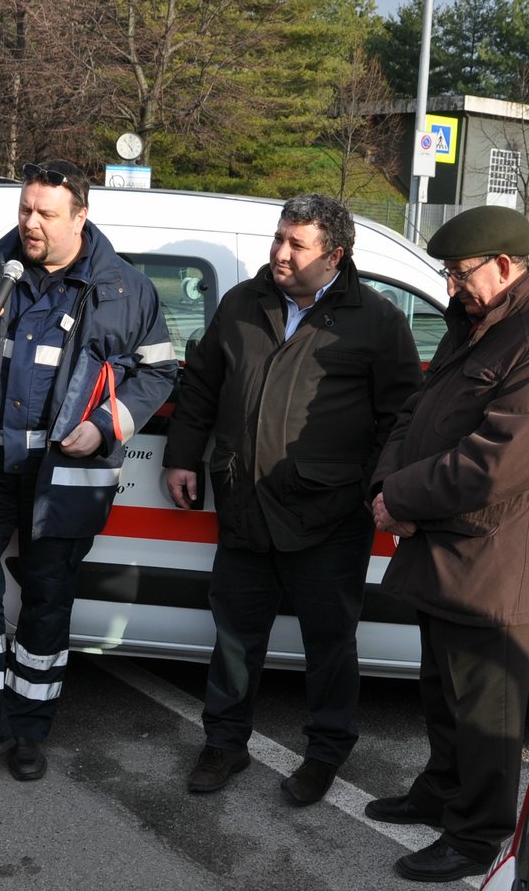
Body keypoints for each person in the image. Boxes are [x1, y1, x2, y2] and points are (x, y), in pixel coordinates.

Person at [0, 159, 176, 788]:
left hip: (66, 476)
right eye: (25, 209)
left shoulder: (125, 288)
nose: (30, 223)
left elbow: (157, 372)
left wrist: (109, 426)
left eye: (45, 214)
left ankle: (29, 730)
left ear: (80, 216)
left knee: (47, 609)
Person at [161, 194, 420, 806]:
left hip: (329, 517)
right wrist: (180, 456)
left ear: (334, 254)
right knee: (233, 637)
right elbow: (200, 386)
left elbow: (402, 419)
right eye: (278, 238)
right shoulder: (242, 304)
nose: (279, 253)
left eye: (295, 244)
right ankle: (224, 745)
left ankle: (326, 753)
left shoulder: (376, 321)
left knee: (329, 646)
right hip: (243, 503)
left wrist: (374, 491)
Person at [367, 205, 529, 882]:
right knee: (441, 689)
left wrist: (400, 496)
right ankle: (440, 791)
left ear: (503, 264)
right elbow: (417, 411)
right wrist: (388, 482)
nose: (451, 286)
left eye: (460, 272)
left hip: (495, 561)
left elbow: (498, 459)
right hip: (446, 546)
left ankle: (476, 834)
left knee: (487, 712)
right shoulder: (481, 320)